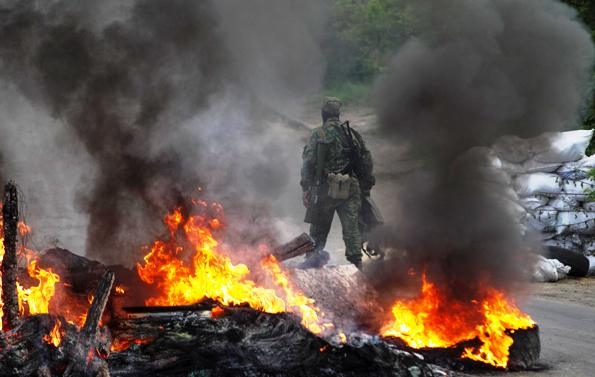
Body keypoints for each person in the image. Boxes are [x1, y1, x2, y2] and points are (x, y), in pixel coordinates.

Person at [300, 97, 375, 269]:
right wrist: (366, 185)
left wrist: (306, 187)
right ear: (338, 115)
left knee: (319, 227)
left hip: (326, 187)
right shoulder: (352, 134)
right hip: (350, 186)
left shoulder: (318, 134)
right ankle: (357, 262)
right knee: (352, 227)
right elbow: (366, 160)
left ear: (323, 114)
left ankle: (312, 259)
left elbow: (308, 162)